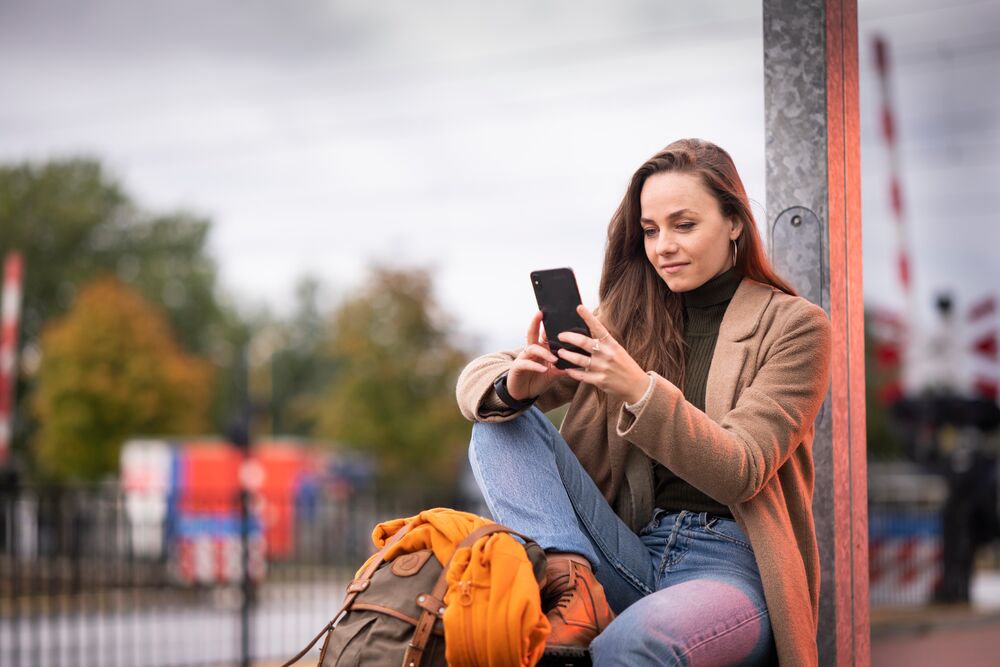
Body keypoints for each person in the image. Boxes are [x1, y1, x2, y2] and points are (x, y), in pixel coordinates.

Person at [456, 138, 832, 666]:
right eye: (651, 231)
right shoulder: (627, 320)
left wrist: (637, 389)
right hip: (625, 548)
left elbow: (741, 470)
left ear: (734, 223)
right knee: (498, 422)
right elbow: (477, 381)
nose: (663, 248)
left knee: (635, 642)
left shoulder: (795, 327)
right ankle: (571, 576)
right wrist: (516, 385)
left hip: (730, 568)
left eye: (684, 225)